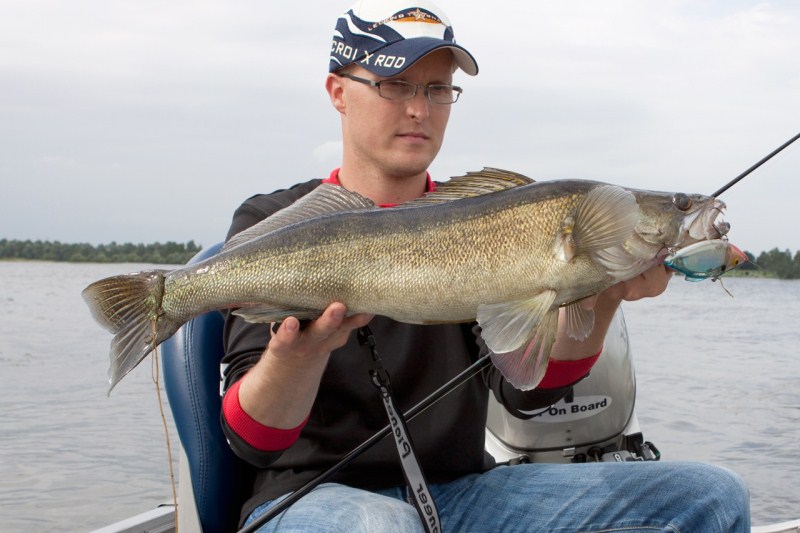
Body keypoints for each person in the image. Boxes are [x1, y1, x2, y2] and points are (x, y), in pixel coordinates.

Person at [220, 1, 751, 531]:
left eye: (437, 89)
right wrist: (298, 355)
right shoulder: (272, 224)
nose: (419, 109)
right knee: (378, 525)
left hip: (462, 494)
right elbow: (254, 442)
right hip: (311, 500)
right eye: (395, 84)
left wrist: (602, 292)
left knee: (709, 496)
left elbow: (524, 393)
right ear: (338, 92)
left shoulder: (487, 222)